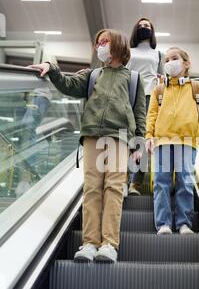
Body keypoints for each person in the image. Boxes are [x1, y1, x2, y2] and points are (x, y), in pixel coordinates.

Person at [30, 29, 146, 262]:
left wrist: (139, 146)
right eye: (98, 43)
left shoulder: (133, 79)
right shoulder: (92, 75)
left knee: (114, 188)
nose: (99, 46)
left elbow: (139, 114)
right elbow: (68, 85)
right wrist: (52, 69)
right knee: (92, 188)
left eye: (105, 42)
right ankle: (90, 243)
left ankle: (109, 244)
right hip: (92, 135)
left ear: (119, 46)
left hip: (120, 136)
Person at [145, 46, 199, 235]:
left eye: (175, 58)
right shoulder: (159, 90)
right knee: (161, 182)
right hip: (163, 141)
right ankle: (163, 224)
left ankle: (183, 224)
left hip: (187, 141)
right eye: (167, 60)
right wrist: (148, 136)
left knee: (185, 182)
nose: (170, 62)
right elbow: (152, 114)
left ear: (186, 63)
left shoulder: (196, 87)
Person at [127, 17, 164, 195]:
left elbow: (163, 77)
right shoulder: (128, 51)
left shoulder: (158, 54)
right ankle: (122, 179)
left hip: (149, 96)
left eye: (147, 26)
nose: (143, 28)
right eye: (140, 25)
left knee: (142, 137)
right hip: (129, 94)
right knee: (126, 135)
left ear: (152, 30)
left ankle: (135, 183)